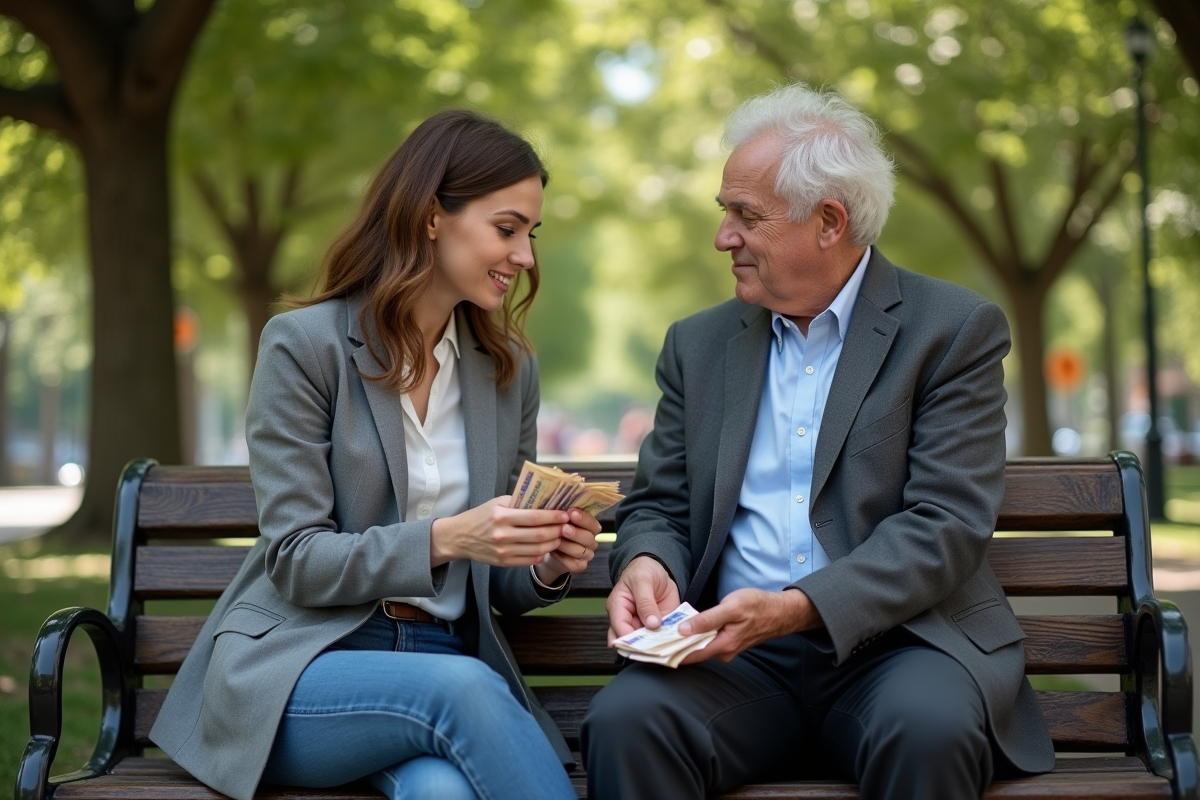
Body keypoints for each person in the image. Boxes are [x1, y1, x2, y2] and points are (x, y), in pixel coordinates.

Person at [581, 84, 1054, 800]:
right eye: (725, 213)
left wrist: (798, 606)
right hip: (733, 657)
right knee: (628, 720)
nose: (723, 238)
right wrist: (646, 559)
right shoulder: (697, 345)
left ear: (829, 221)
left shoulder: (951, 330)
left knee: (929, 731)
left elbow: (946, 526)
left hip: (901, 645)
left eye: (746, 217)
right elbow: (661, 503)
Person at [151, 110, 596, 800]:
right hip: (305, 666)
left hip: (442, 661)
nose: (526, 257)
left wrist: (542, 560)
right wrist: (450, 537)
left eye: (530, 236)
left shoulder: (506, 372)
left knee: (440, 794)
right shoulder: (305, 347)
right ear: (429, 217)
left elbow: (496, 587)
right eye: (506, 229)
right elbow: (297, 559)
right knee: (462, 689)